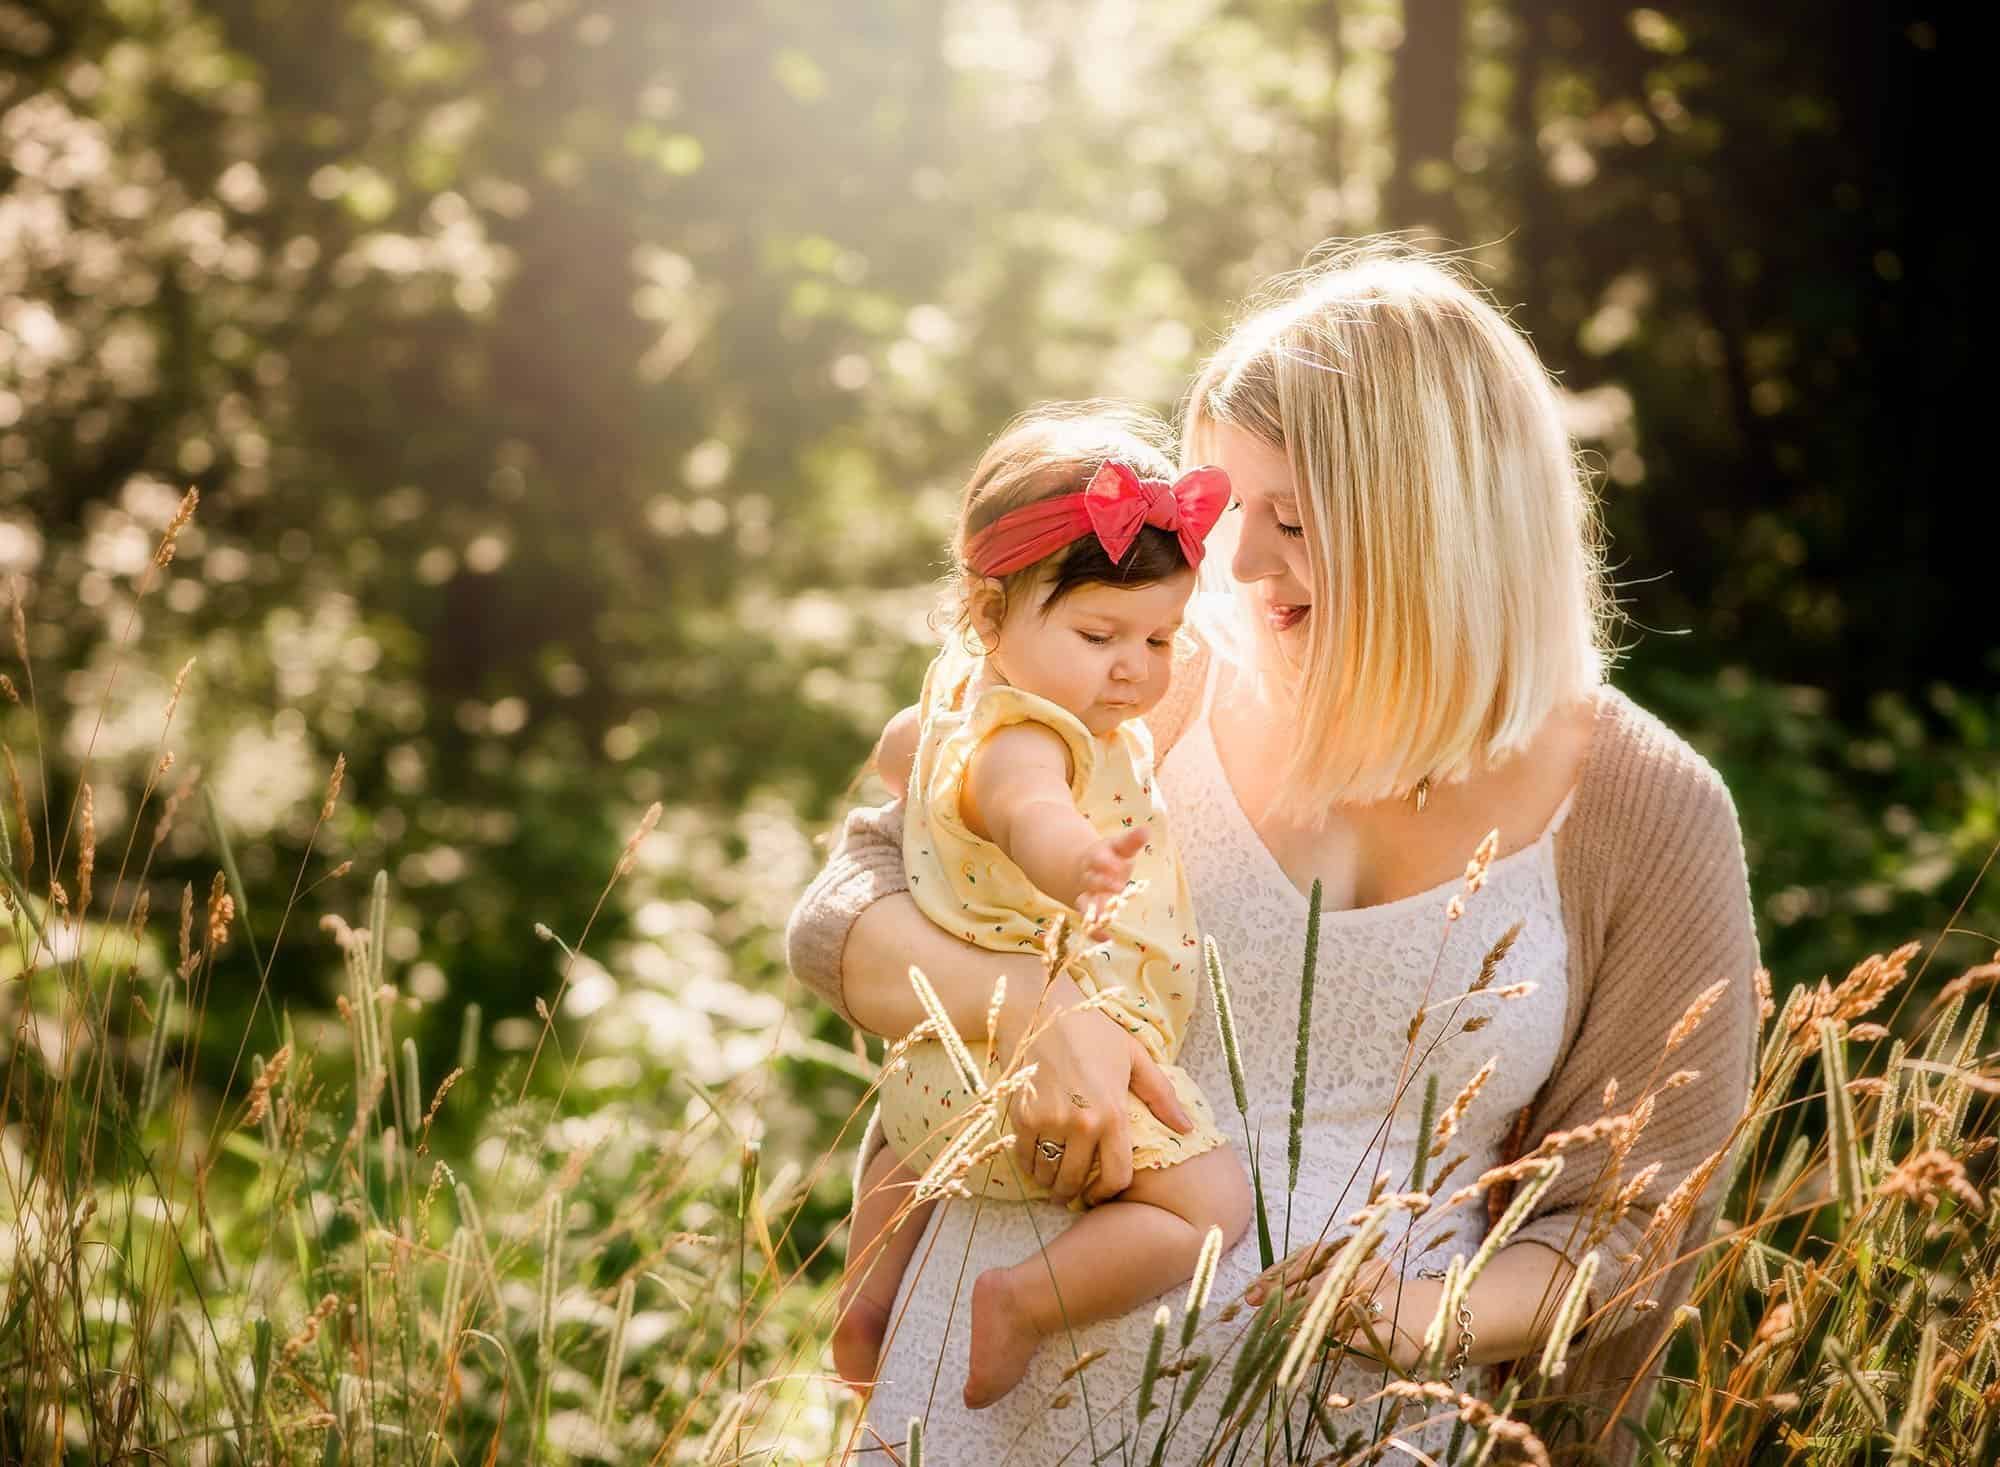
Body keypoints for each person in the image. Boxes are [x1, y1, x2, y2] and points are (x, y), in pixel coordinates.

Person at [789, 240, 1760, 1465]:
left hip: (1356, 1430)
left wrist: (1423, 1318)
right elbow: (847, 911)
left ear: (1441, 527)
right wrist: (1027, 1010)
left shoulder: (1644, 811)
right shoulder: (1148, 680)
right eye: (1224, 515)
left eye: (1290, 521)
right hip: (997, 1410)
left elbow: (1632, 1222)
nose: (1237, 569)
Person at [831, 406, 1251, 1409]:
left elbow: (903, 755)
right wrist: (1077, 862)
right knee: (1209, 1205)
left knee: (900, 1139)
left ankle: (871, 1287)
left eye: (1160, 636)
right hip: (1033, 1069)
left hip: (938, 1075)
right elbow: (1027, 807)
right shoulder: (1033, 739)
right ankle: (1022, 1301)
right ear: (987, 616)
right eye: (1099, 633)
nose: (1134, 668)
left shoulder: (955, 706)